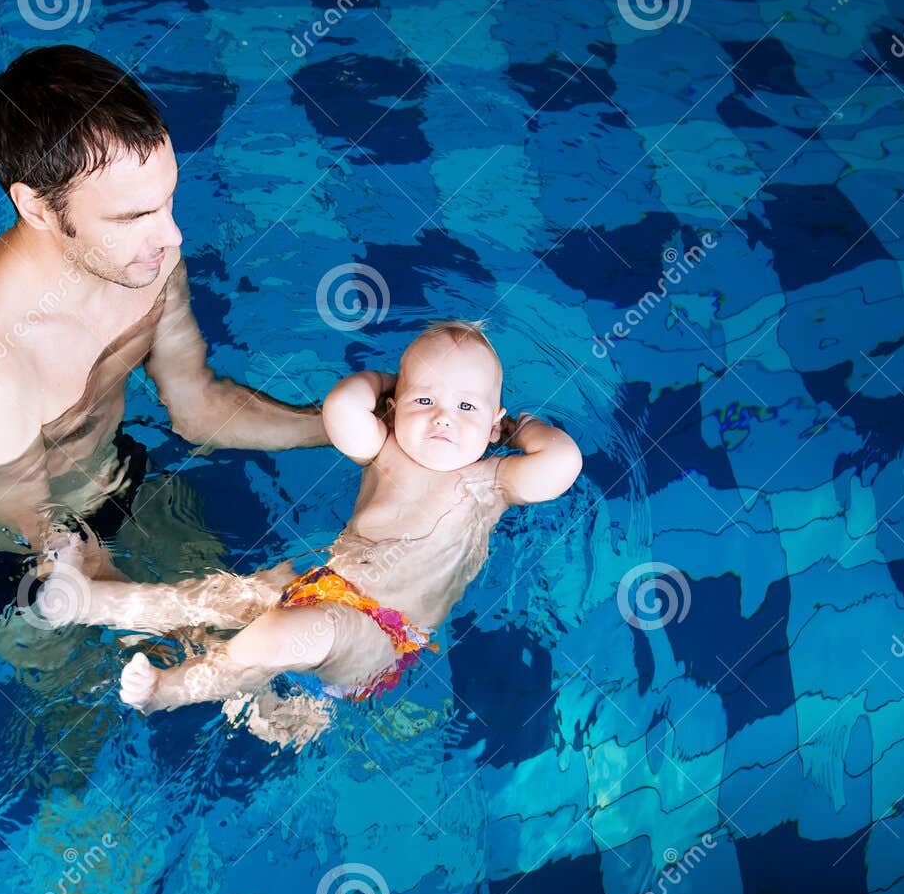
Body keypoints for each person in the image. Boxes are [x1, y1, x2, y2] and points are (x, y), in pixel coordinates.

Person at [0, 44, 327, 616]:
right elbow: (55, 553)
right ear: (37, 209)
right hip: (8, 547)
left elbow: (197, 407)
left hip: (114, 473)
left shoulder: (144, 260)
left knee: (264, 648)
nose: (172, 236)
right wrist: (214, 610)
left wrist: (342, 427)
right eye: (132, 217)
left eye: (167, 200)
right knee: (73, 688)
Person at [46, 320, 583, 747]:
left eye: (467, 407)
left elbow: (562, 462)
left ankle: (168, 692)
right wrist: (386, 389)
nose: (443, 417)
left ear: (494, 426)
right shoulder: (385, 449)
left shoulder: (490, 481)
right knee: (220, 598)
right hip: (323, 588)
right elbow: (341, 408)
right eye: (425, 400)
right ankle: (93, 603)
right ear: (394, 408)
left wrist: (521, 430)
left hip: (380, 635)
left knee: (277, 633)